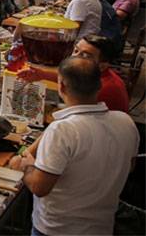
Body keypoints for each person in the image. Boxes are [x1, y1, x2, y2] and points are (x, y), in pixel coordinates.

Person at [8, 57, 137, 236]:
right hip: (102, 228)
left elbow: (39, 187)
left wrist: (23, 166)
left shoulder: (63, 130)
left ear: (61, 87)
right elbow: (129, 167)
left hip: (57, 229)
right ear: (99, 85)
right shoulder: (126, 122)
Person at [19, 34, 129, 112]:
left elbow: (73, 120)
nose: (75, 57)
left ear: (102, 65)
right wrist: (42, 74)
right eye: (76, 51)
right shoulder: (93, 75)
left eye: (86, 56)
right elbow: (73, 77)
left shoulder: (101, 89)